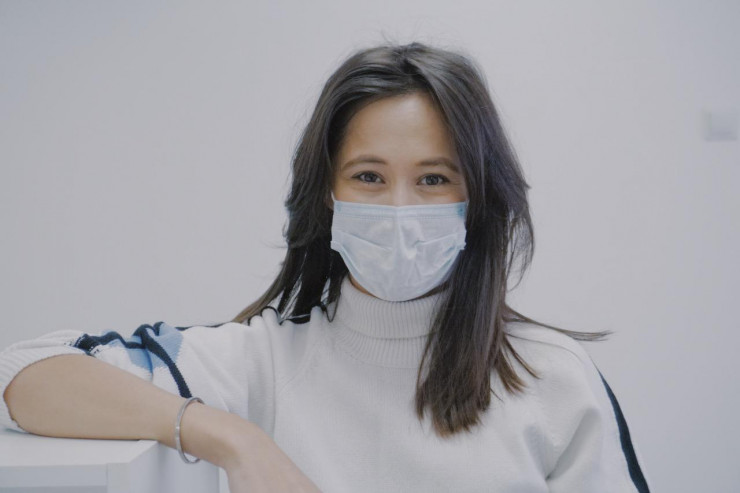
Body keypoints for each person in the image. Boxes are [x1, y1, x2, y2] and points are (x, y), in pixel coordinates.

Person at [0, 41, 651, 492]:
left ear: (477, 196)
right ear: (328, 195)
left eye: (433, 178)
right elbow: (24, 373)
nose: (399, 207)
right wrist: (233, 438)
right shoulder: (256, 362)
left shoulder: (554, 379)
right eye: (369, 176)